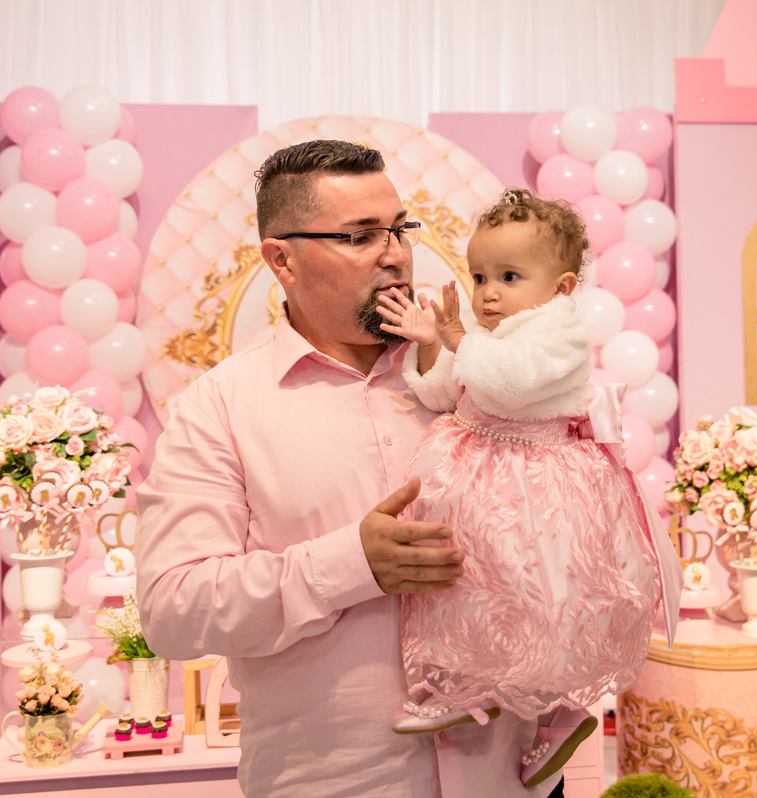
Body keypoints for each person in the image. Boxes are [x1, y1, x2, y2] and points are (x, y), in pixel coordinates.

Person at [136, 140, 568, 796]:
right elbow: (173, 609)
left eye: (399, 229)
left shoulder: (475, 373)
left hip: (510, 779)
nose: (394, 253)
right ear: (282, 258)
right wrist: (350, 566)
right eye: (361, 235)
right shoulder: (220, 407)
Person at [376, 188, 681, 788]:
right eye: (481, 275)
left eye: (509, 276)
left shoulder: (560, 332)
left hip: (539, 483)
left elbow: (511, 385)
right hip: (478, 474)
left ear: (562, 286)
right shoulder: (492, 331)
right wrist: (432, 343)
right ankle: (458, 684)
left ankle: (562, 717)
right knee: (466, 589)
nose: (488, 292)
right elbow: (444, 394)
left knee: (546, 605)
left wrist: (461, 340)